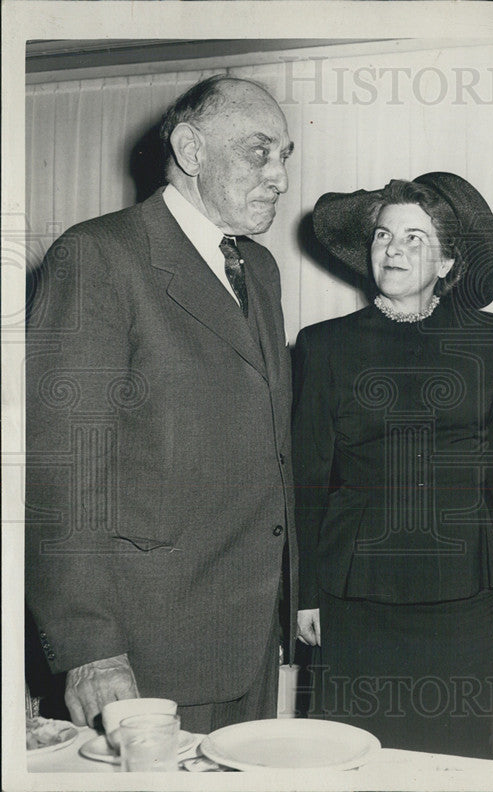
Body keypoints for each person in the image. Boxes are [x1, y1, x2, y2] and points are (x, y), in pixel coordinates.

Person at [25, 75, 296, 734]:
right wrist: (89, 649)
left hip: (250, 639)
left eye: (286, 154)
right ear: (191, 150)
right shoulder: (98, 258)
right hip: (145, 654)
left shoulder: (258, 269)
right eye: (259, 152)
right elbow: (60, 471)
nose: (280, 177)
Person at [294, 173, 493, 759]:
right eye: (382, 236)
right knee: (348, 755)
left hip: (462, 586)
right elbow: (307, 478)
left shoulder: (491, 339)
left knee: (455, 755)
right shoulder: (324, 344)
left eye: (415, 238)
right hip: (355, 591)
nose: (393, 249)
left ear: (448, 260)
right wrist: (304, 594)